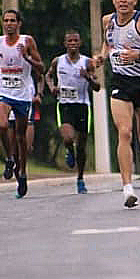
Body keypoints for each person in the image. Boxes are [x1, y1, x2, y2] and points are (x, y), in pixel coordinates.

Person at [94, 0, 140, 208]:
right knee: (124, 132)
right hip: (121, 82)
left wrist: (139, 55)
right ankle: (128, 188)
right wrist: (102, 57)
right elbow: (108, 43)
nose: (123, 1)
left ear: (135, 1)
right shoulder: (107, 21)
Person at [0, 9, 44, 198]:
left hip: (23, 93)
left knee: (21, 139)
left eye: (12, 21)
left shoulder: (27, 41)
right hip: (4, 89)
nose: (9, 24)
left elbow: (41, 67)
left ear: (19, 23)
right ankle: (9, 158)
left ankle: (23, 172)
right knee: (3, 125)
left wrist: (27, 57)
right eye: (6, 21)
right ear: (2, 23)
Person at [46, 29, 100, 194]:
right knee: (68, 137)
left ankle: (80, 178)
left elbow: (97, 87)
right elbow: (48, 76)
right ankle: (69, 149)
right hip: (65, 105)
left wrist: (88, 78)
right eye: (69, 41)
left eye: (75, 41)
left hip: (82, 106)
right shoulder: (58, 61)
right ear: (65, 44)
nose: (72, 44)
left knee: (82, 146)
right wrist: (52, 87)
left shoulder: (87, 62)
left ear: (80, 43)